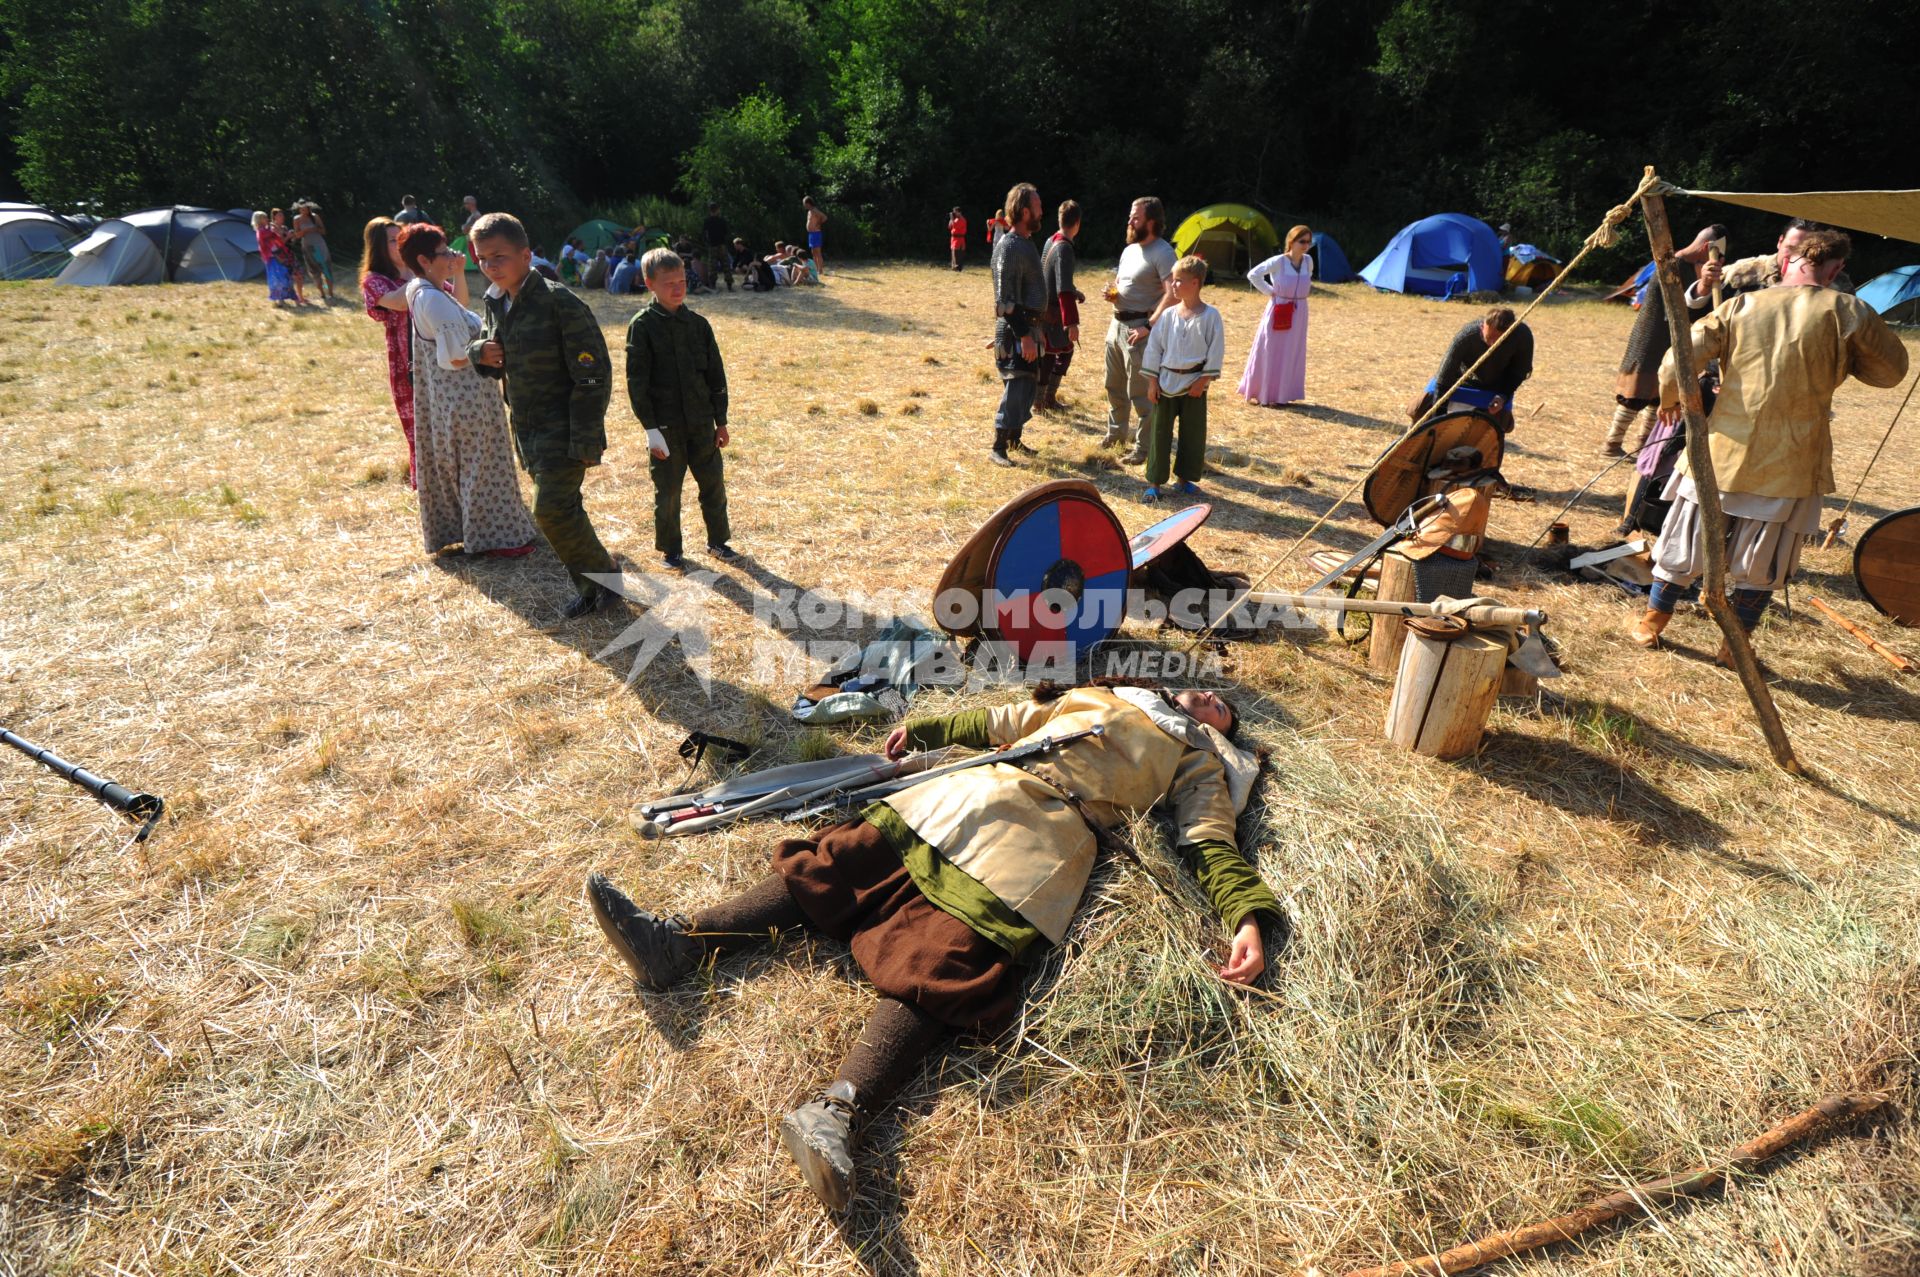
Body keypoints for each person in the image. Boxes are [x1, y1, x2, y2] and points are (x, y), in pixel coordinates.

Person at [583, 678, 1280, 1213]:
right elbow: (1007, 721)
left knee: (948, 958)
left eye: (1222, 708)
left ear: (1219, 733)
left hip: (1043, 839)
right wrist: (930, 725)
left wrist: (1246, 917)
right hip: (971, 792)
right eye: (1206, 691)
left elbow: (1208, 842)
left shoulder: (1196, 762)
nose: (1212, 698)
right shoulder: (1098, 694)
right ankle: (676, 944)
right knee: (839, 858)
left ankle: (835, 1114)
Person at [1630, 229, 1908, 656]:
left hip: (1722, 449)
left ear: (1787, 261)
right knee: (1765, 560)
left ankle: (1652, 624)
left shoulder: (1742, 304)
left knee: (1683, 542)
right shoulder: (1851, 311)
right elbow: (1889, 372)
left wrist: (1671, 400)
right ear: (1836, 270)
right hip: (1792, 458)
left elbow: (1678, 358)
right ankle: (1734, 647)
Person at [467, 212, 623, 625]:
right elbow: (487, 348)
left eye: (499, 256)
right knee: (562, 506)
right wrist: (479, 353)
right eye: (482, 258)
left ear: (525, 254)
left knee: (550, 509)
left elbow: (593, 375)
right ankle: (602, 578)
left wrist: (587, 437)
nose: (490, 266)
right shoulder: (495, 300)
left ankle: (602, 585)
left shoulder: (559, 303)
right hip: (527, 427)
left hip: (564, 427)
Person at [396, 222, 540, 560]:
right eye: (444, 251)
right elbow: (458, 356)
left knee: (467, 465)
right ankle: (496, 540)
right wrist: (489, 349)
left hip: (450, 397)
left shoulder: (420, 288)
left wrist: (457, 271)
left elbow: (457, 305)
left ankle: (477, 532)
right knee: (482, 466)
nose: (453, 254)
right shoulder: (432, 300)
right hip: (467, 398)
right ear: (424, 259)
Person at [625, 247, 735, 571]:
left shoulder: (699, 325)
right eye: (668, 282)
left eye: (682, 281)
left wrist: (721, 421)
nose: (677, 288)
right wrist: (650, 429)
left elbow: (716, 375)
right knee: (668, 492)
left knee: (713, 485)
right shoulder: (642, 327)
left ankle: (719, 542)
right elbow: (637, 382)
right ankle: (671, 549)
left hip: (702, 424)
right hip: (667, 429)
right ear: (650, 284)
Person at [1603, 224, 1724, 458]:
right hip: (1652, 338)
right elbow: (1679, 308)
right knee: (1634, 394)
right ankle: (1612, 444)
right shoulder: (1674, 264)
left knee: (1658, 397)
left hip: (1670, 340)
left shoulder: (1687, 266)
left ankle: (1643, 446)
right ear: (1708, 247)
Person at [1140, 255, 1225, 502]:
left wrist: (1203, 381)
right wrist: (1152, 382)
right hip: (1165, 383)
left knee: (1192, 434)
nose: (1173, 286)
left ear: (1196, 283)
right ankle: (1154, 482)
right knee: (1160, 433)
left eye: (1179, 281)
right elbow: (1154, 348)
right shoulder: (1167, 316)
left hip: (1194, 385)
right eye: (1173, 281)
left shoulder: (1211, 316)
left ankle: (1184, 480)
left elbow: (1215, 350)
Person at [1102, 196, 1178, 461]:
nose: (1130, 221)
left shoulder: (1164, 252)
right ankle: (1116, 435)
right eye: (1131, 216)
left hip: (1140, 331)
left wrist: (1149, 326)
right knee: (1113, 385)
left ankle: (1143, 449)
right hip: (1116, 325)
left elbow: (1174, 295)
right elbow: (1121, 282)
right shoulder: (1130, 249)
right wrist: (1113, 293)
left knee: (1142, 395)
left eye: (1136, 217)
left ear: (1152, 221)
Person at [987, 182, 1045, 467]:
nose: (1041, 211)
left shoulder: (1026, 244)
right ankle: (998, 445)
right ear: (1024, 212)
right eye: (1037, 206)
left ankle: (1014, 438)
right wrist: (1022, 335)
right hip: (1017, 330)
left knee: (1027, 387)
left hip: (1030, 329)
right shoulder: (1009, 246)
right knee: (1016, 387)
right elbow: (1005, 298)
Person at [361, 216, 422, 484]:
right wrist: (423, 273)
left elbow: (456, 298)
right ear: (378, 247)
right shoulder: (375, 280)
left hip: (436, 359)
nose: (399, 244)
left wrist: (451, 270)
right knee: (418, 432)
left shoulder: (420, 273)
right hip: (406, 365)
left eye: (402, 237)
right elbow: (398, 303)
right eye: (392, 240)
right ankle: (427, 490)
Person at [1416, 306, 1533, 434]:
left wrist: (1502, 396)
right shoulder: (1467, 335)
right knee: (1420, 408)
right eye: (1488, 338)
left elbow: (1518, 373)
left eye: (1499, 340)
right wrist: (1439, 418)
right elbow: (1445, 376)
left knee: (1497, 424)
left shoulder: (1522, 336)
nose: (1492, 344)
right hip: (1460, 381)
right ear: (1483, 326)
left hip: (1496, 387)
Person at [1239, 224, 1314, 407]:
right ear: (1291, 241)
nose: (1305, 245)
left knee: (1291, 351)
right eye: (1301, 241)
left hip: (1299, 311)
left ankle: (1283, 394)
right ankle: (1264, 393)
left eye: (1308, 242)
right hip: (1280, 309)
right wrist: (1271, 291)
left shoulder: (1308, 261)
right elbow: (1253, 274)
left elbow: (1307, 279)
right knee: (1270, 349)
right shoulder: (1278, 261)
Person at [1035, 199, 1084, 413]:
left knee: (1055, 354)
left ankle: (1045, 399)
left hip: (1046, 309)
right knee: (1054, 356)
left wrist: (1074, 291)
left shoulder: (1051, 240)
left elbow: (1056, 278)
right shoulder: (1064, 248)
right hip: (1053, 314)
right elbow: (1062, 289)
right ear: (1078, 223)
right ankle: (1042, 401)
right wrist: (1071, 322)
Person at [252, 210, 304, 307]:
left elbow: (278, 240)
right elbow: (268, 243)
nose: (266, 219)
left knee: (284, 277)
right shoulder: (262, 232)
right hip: (272, 258)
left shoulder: (266, 230)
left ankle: (292, 298)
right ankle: (281, 299)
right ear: (259, 220)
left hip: (278, 256)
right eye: (264, 218)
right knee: (277, 279)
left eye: (266, 217)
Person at [291, 201, 335, 303]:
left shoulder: (315, 217)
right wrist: (306, 231)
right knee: (314, 270)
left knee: (325, 268)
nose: (303, 210)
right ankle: (322, 293)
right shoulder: (296, 219)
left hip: (319, 245)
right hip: (308, 247)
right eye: (301, 209)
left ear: (308, 208)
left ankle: (330, 293)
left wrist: (314, 229)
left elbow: (323, 231)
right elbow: (297, 235)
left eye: (305, 208)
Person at [702, 203, 734, 292]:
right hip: (722, 245)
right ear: (717, 210)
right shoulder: (722, 220)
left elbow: (704, 234)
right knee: (726, 265)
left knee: (712, 266)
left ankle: (713, 285)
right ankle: (729, 285)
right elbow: (726, 233)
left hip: (712, 246)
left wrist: (706, 243)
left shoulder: (707, 221)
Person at [803, 195, 827, 277]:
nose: (804, 205)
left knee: (818, 252)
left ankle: (820, 270)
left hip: (816, 233)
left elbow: (824, 217)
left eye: (804, 203)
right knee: (813, 253)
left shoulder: (814, 210)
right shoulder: (809, 211)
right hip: (811, 234)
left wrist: (818, 224)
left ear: (808, 203)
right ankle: (816, 269)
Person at [948, 207, 968, 271]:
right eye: (954, 212)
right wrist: (951, 220)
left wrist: (951, 219)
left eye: (955, 212)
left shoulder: (962, 219)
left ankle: (958, 268)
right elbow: (949, 226)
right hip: (954, 238)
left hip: (959, 238)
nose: (954, 213)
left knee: (957, 253)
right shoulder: (956, 219)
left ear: (959, 212)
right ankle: (954, 267)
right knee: (953, 252)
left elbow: (955, 226)